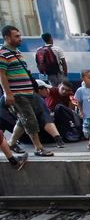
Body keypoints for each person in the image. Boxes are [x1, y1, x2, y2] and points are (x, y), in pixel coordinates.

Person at [1, 24, 55, 156]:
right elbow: (1, 75)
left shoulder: (17, 52)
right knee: (30, 119)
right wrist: (8, 93)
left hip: (28, 92)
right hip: (17, 94)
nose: (20, 38)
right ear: (7, 38)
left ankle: (11, 143)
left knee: (23, 119)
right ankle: (38, 148)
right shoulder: (2, 54)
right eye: (16, 36)